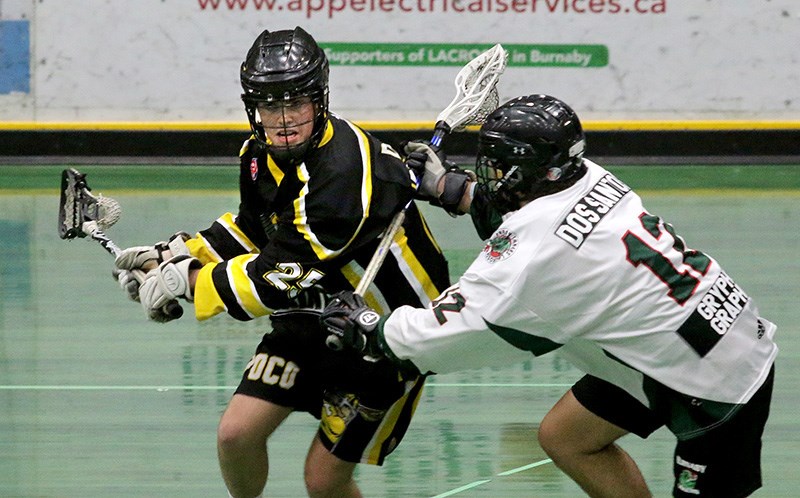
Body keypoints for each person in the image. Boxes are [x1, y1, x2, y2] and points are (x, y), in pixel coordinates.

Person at [320, 94, 778, 497]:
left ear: (527, 170)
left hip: (717, 383)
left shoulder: (538, 260)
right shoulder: (590, 176)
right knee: (567, 438)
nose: (493, 173)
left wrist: (373, 328)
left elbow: (457, 329)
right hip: (695, 332)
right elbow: (532, 219)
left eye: (499, 166)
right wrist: (450, 188)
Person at [113, 27, 451, 498]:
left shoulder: (341, 174)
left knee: (323, 480)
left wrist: (187, 282)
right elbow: (257, 229)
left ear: (321, 100)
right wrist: (175, 253)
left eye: (296, 103)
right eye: (271, 105)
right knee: (236, 435)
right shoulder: (258, 154)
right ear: (254, 108)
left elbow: (279, 278)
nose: (285, 119)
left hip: (384, 335)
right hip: (315, 317)